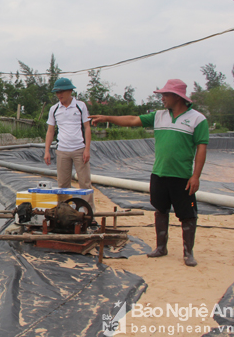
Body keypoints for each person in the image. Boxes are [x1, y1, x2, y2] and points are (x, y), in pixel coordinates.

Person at [89, 79, 208, 267]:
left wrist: (196, 176)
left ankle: (188, 253)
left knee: (188, 215)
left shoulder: (197, 119)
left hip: (182, 177)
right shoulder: (159, 116)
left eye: (165, 95)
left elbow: (202, 147)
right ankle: (161, 247)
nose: (162, 98)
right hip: (159, 174)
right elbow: (132, 120)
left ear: (177, 97)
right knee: (160, 210)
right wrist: (107, 118)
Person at [44, 77, 95, 212]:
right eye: (57, 92)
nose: (59, 95)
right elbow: (50, 131)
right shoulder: (54, 109)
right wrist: (47, 151)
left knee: (85, 183)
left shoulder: (80, 106)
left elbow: (87, 127)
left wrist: (87, 149)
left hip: (79, 149)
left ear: (70, 91)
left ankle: (88, 213)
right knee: (62, 184)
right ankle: (64, 212)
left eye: (62, 92)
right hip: (62, 150)